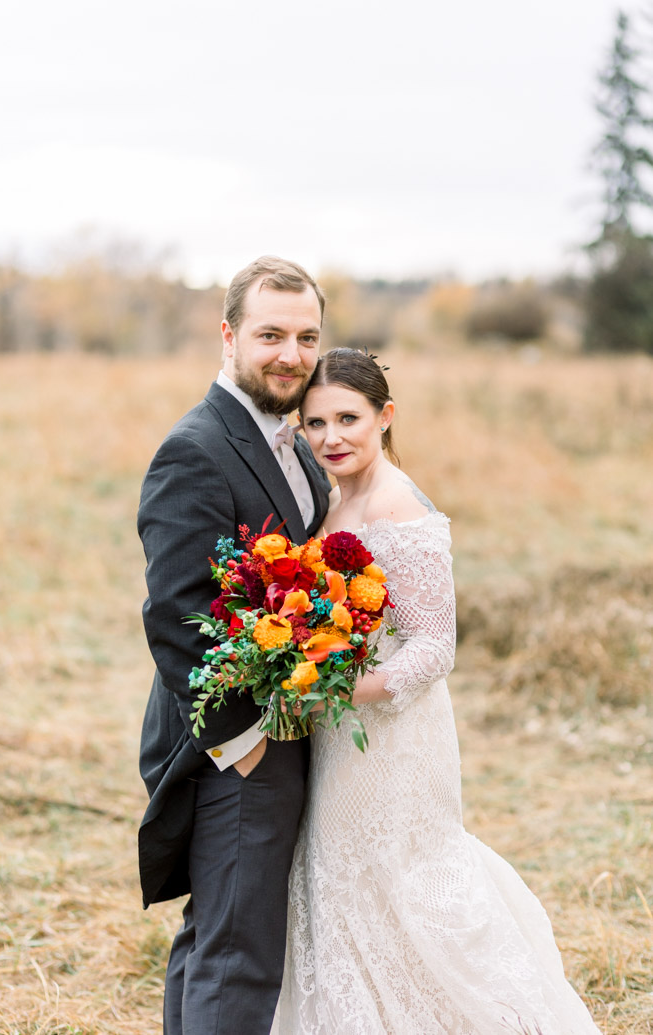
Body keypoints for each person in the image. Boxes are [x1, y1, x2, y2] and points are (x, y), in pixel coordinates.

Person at [272, 348, 601, 1035]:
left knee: (402, 873)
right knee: (346, 873)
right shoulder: (337, 495)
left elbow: (435, 645)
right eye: (315, 422)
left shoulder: (398, 504)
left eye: (348, 419)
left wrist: (340, 691)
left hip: (393, 732)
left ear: (385, 417)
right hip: (342, 726)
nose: (331, 436)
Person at [137, 256, 331, 1035]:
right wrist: (241, 742)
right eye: (271, 335)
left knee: (218, 935)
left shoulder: (295, 438)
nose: (291, 354)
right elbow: (177, 613)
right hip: (232, 740)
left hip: (278, 725)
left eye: (307, 336)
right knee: (239, 953)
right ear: (228, 336)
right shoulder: (197, 448)